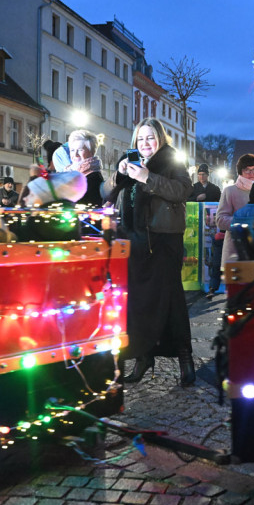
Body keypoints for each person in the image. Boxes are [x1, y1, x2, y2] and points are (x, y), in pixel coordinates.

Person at [103, 117, 194, 386]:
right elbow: (105, 192)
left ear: (160, 139)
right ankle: (144, 358)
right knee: (138, 304)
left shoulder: (171, 159)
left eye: (150, 138)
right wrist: (119, 175)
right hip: (134, 243)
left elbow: (182, 190)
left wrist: (148, 178)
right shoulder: (127, 161)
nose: (145, 143)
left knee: (172, 300)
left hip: (164, 242)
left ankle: (185, 359)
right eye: (140, 139)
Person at [217, 153, 254, 263]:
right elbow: (220, 220)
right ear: (240, 172)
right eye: (247, 170)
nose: (251, 173)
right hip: (236, 247)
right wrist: (243, 224)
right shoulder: (230, 191)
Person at [66, 129, 105, 206]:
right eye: (72, 150)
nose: (75, 154)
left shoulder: (93, 177)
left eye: (80, 150)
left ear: (92, 152)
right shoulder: (67, 173)